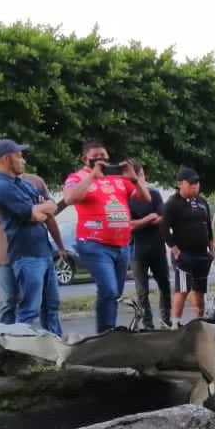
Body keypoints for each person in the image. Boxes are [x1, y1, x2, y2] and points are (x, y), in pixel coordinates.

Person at [62, 139, 150, 333]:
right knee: (109, 290)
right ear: (85, 159)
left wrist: (134, 179)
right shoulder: (77, 178)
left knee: (115, 293)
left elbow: (145, 199)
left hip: (121, 244)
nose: (101, 160)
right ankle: (105, 332)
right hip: (94, 244)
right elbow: (69, 198)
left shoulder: (118, 179)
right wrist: (93, 175)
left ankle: (108, 332)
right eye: (95, 158)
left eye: (104, 156)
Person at [0, 163, 65, 324]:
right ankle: (6, 343)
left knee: (48, 304)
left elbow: (49, 214)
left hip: (36, 252)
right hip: (4, 254)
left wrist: (60, 245)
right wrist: (9, 216)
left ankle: (50, 342)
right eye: (16, 154)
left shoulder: (35, 181)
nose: (21, 159)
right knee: (8, 302)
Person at [0, 139, 62, 336]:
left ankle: (56, 346)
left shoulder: (22, 183)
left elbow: (51, 206)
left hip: (43, 252)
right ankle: (18, 350)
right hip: (27, 256)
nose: (23, 160)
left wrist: (41, 208)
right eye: (19, 156)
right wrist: (39, 209)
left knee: (51, 306)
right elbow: (34, 215)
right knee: (29, 310)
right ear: (6, 158)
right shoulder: (0, 187)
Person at [161, 167, 215, 326]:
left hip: (202, 254)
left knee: (200, 289)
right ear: (180, 184)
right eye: (191, 183)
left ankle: (200, 321)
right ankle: (175, 322)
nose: (195, 186)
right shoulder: (172, 203)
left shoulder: (202, 202)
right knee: (183, 289)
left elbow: (208, 226)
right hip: (184, 254)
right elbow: (163, 228)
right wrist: (175, 249)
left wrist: (211, 247)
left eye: (197, 183)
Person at [126, 161, 172, 330]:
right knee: (142, 291)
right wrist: (149, 218)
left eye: (142, 175)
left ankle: (166, 320)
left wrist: (144, 221)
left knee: (164, 285)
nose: (142, 179)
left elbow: (162, 217)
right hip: (138, 249)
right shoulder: (126, 198)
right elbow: (129, 225)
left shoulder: (154, 194)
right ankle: (148, 324)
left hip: (157, 247)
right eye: (138, 175)